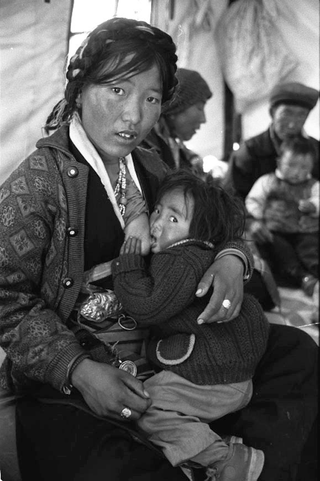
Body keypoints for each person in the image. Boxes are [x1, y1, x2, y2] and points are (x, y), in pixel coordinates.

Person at [0, 17, 317, 481]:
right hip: (76, 378)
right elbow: (8, 300)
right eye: (117, 91)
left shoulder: (149, 166)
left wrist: (232, 257)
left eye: (150, 98)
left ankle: (244, 466)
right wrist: (79, 369)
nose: (134, 116)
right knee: (120, 465)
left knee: (297, 351)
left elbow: (223, 217)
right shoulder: (33, 187)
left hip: (169, 347)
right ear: (80, 89)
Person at [112, 170, 270, 481]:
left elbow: (149, 306)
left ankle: (225, 458)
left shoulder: (181, 259)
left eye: (173, 219)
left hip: (216, 375)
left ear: (200, 234)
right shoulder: (199, 254)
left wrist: (127, 267)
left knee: (146, 408)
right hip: (233, 371)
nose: (156, 223)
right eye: (157, 210)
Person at [245, 137, 319, 296]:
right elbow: (253, 200)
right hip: (276, 230)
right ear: (279, 162)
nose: (297, 172)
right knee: (281, 251)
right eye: (291, 165)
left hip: (305, 230)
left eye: (304, 167)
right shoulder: (267, 181)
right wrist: (259, 217)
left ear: (312, 166)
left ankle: (316, 272)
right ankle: (302, 277)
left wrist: (314, 206)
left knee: (311, 248)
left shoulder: (314, 185)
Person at [223, 81, 319, 200]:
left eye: (301, 115)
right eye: (286, 113)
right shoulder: (250, 151)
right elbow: (229, 201)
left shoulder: (316, 149)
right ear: (272, 113)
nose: (292, 124)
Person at [142, 67, 212, 174]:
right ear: (175, 108)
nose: (203, 119)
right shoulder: (145, 148)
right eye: (199, 107)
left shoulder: (176, 150)